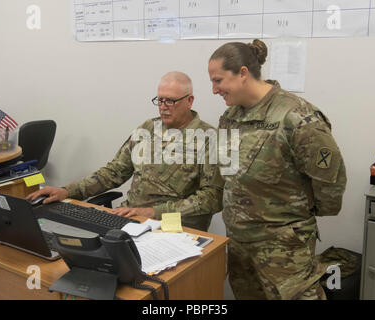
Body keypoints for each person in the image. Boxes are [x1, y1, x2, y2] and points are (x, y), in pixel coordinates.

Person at [208, 40, 347, 300]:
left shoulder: (296, 116)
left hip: (284, 250)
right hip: (240, 245)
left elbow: (330, 178)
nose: (214, 89)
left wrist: (298, 217)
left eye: (218, 80)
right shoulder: (229, 117)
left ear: (243, 73)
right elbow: (227, 173)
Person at [27, 71, 224, 232]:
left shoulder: (210, 139)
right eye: (160, 100)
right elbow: (114, 172)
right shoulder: (147, 129)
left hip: (174, 226)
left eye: (170, 101)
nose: (163, 108)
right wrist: (69, 191)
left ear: (189, 101)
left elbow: (212, 198)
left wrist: (154, 212)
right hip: (131, 218)